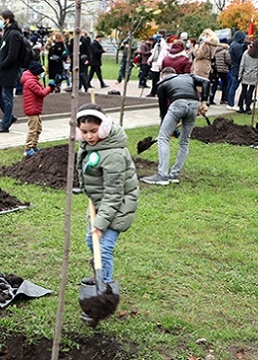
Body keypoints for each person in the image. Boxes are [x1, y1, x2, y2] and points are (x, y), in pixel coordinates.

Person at [75, 103, 139, 308]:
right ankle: (98, 276)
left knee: (103, 248)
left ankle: (106, 286)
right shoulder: (92, 147)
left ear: (104, 128)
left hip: (117, 207)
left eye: (93, 131)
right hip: (99, 205)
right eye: (84, 132)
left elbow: (114, 194)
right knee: (90, 241)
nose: (89, 136)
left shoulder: (113, 155)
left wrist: (101, 224)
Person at [141, 67, 210, 185]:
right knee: (184, 141)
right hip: (194, 104)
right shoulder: (188, 76)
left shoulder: (162, 84)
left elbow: (163, 110)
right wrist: (203, 102)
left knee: (163, 138)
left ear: (163, 75)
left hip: (177, 104)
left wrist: (166, 126)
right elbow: (206, 82)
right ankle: (174, 174)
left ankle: (162, 175)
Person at [0, 9, 23, 133]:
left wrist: (2, 64)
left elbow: (12, 54)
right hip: (2, 70)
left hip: (8, 71)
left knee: (7, 97)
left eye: (2, 19)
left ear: (7, 20)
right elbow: (4, 45)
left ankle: (5, 124)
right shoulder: (8, 32)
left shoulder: (14, 34)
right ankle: (9, 117)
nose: (1, 22)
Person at [21, 61, 56, 156]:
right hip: (32, 110)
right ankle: (28, 148)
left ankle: (34, 145)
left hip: (35, 109)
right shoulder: (31, 81)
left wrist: (51, 88)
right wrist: (50, 87)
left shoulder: (33, 79)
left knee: (38, 128)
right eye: (40, 73)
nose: (41, 75)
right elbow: (41, 93)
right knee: (33, 129)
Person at [236, 38, 258, 114]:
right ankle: (248, 107)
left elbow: (242, 65)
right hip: (254, 76)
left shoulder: (246, 53)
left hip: (245, 74)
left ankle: (241, 107)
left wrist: (240, 74)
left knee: (243, 91)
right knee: (250, 92)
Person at [227, 31, 247, 110]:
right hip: (237, 68)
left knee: (232, 85)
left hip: (233, 67)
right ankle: (231, 104)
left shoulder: (233, 45)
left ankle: (230, 102)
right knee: (234, 86)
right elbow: (240, 57)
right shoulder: (237, 46)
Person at [210, 38, 231, 105]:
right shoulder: (225, 51)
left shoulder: (215, 50)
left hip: (216, 69)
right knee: (225, 84)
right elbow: (228, 60)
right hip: (224, 69)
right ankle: (223, 99)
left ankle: (211, 99)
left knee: (215, 84)